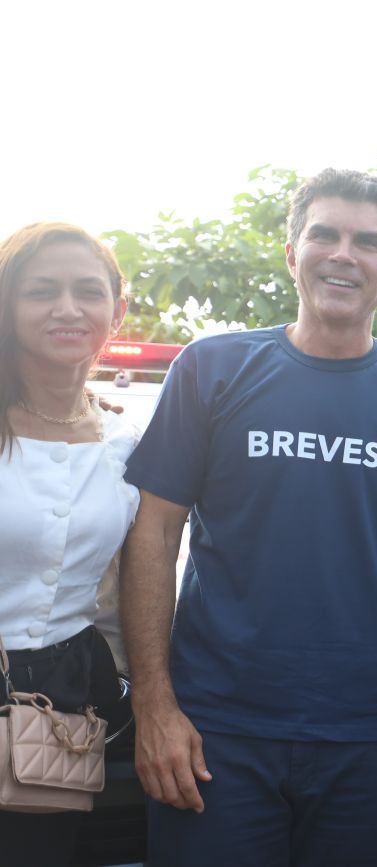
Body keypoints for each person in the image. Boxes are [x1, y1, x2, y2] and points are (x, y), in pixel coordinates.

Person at [119, 168, 377, 867]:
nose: (344, 254)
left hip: (370, 729)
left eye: (367, 242)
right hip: (218, 726)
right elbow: (153, 534)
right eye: (325, 235)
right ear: (292, 253)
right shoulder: (211, 369)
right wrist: (154, 706)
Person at [0, 222, 135, 867]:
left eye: (87, 291)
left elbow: (124, 586)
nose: (67, 308)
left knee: (35, 854)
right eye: (41, 291)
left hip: (61, 704)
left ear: (117, 310)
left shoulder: (127, 442)